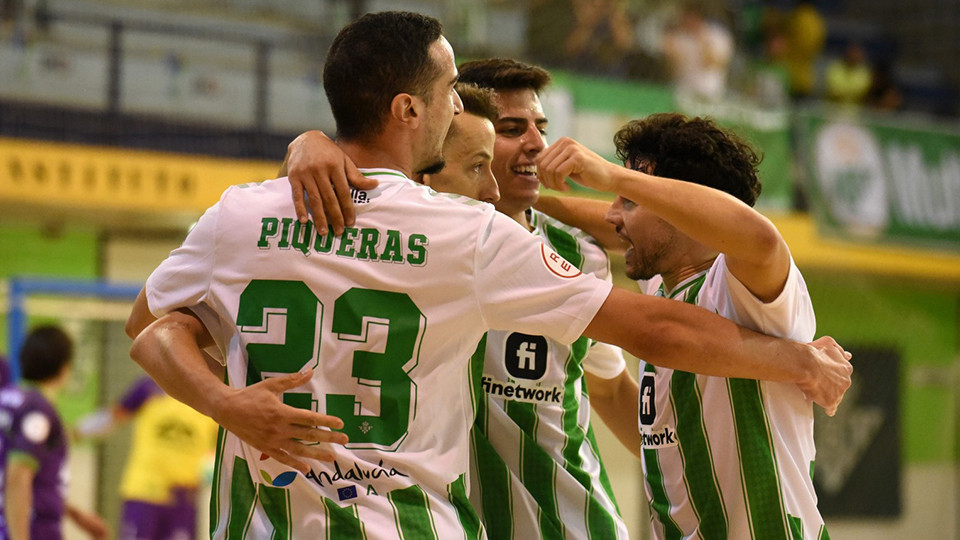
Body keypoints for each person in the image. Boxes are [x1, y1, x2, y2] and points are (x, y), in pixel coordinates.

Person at [126, 10, 851, 540]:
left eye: (537, 128)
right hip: (422, 522)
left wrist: (223, 400)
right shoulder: (465, 234)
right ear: (426, 119)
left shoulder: (239, 216)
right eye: (495, 131)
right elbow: (656, 328)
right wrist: (790, 360)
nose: (533, 143)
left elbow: (152, 330)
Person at [283, 57, 638, 538]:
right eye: (513, 128)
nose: (536, 143)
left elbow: (611, 387)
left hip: (571, 524)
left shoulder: (578, 253)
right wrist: (309, 142)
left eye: (540, 126)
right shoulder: (402, 242)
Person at [535, 113, 835, 538]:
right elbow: (596, 219)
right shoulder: (663, 289)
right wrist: (515, 198)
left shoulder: (743, 290)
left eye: (629, 202)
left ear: (684, 210)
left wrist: (610, 176)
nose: (613, 217)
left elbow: (760, 238)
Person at [76, 376, 218, 540]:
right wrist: (76, 432)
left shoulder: (210, 398)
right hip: (144, 495)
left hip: (184, 502)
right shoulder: (151, 387)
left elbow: (219, 452)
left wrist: (208, 474)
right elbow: (113, 417)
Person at [0, 325, 107, 540]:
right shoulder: (38, 410)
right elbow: (18, 474)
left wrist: (73, 513)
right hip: (33, 529)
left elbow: (34, 478)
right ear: (64, 367)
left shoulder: (8, 398)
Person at [661, 5, 733, 102]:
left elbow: (715, 63)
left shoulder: (717, 36)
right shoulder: (679, 36)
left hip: (709, 92)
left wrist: (702, 40)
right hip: (682, 91)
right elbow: (670, 69)